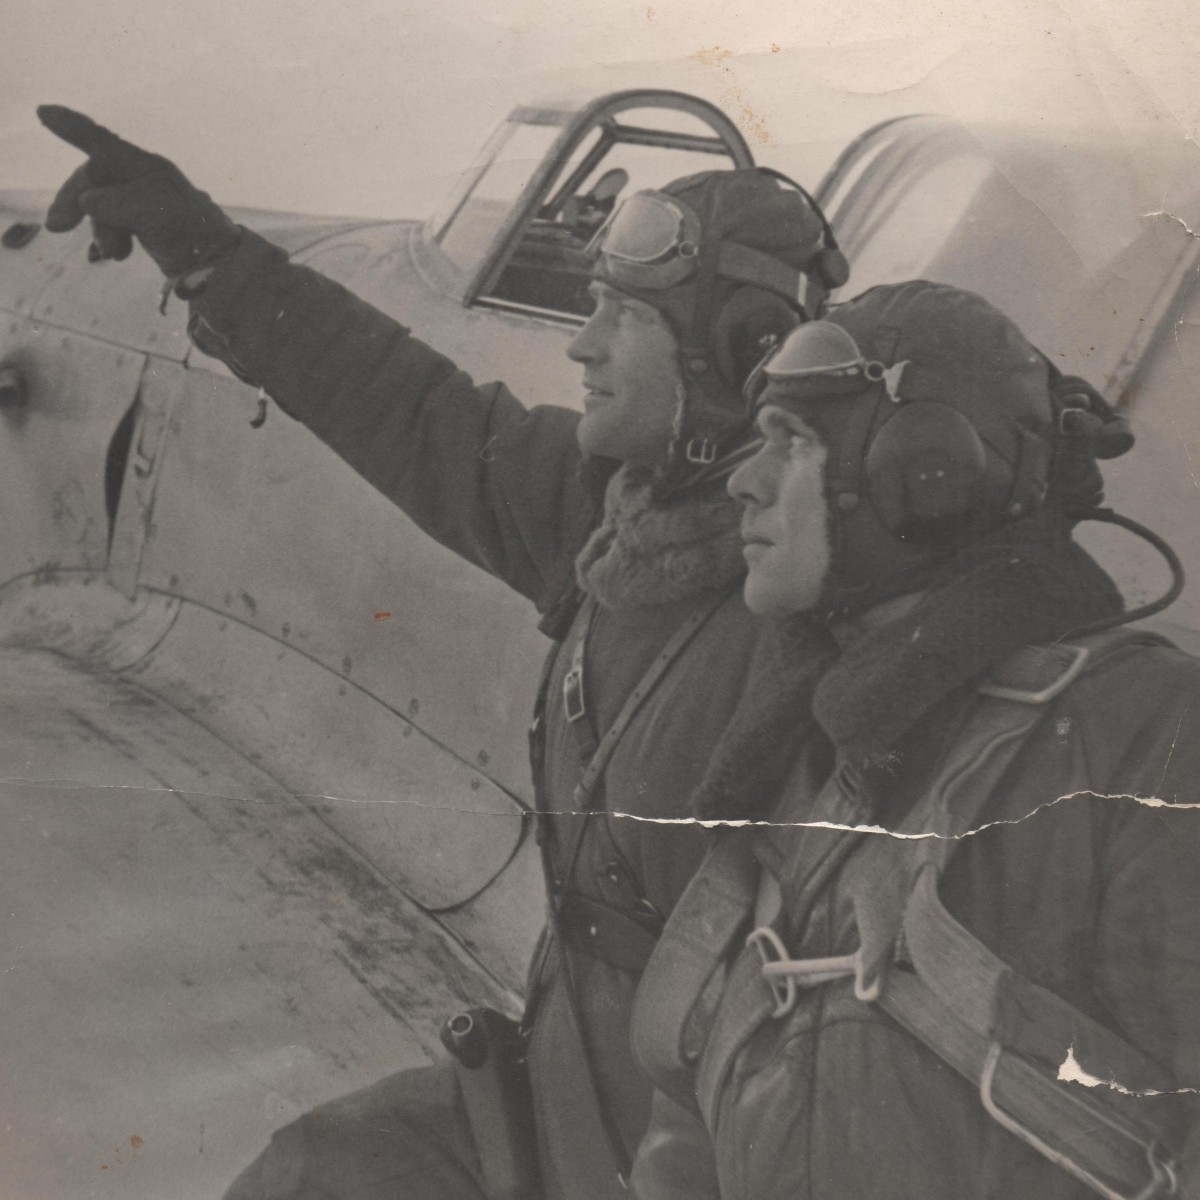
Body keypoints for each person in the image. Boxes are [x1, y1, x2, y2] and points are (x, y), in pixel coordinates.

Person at [36, 106, 847, 1199]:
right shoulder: (628, 523)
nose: (581, 345)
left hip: (671, 1155)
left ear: (734, 358)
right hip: (560, 1101)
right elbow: (415, 412)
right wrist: (206, 253)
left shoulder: (814, 623)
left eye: (622, 318)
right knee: (311, 1171)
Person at [627, 281, 1200, 1199]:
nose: (745, 478)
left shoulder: (1142, 738)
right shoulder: (814, 737)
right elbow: (692, 1118)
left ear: (923, 479)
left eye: (791, 443)